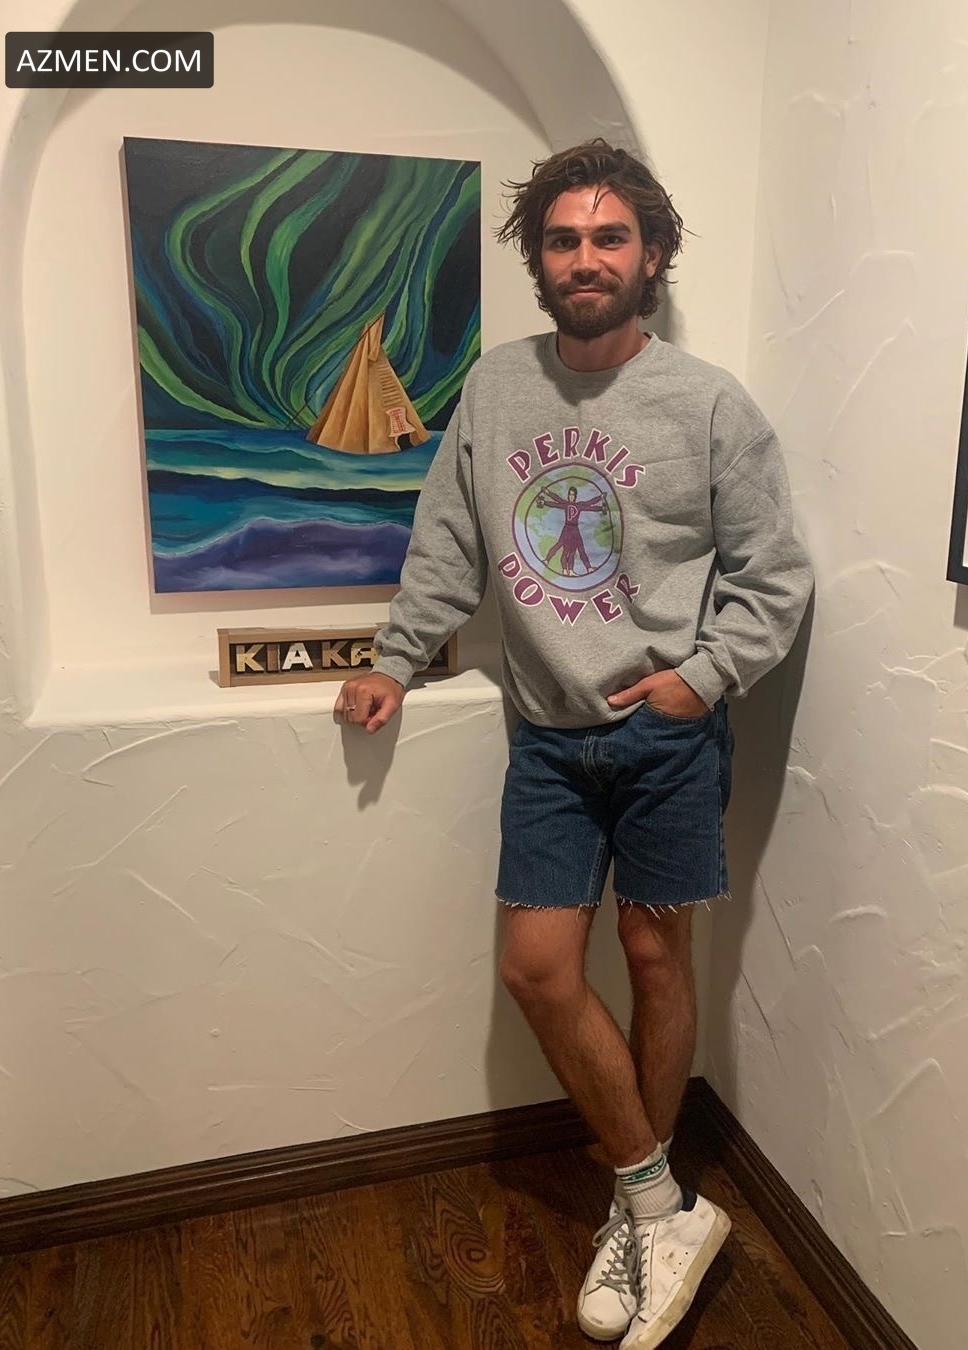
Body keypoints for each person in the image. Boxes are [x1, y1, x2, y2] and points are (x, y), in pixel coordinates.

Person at [334, 139, 813, 1348]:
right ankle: (661, 1205)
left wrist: (701, 680)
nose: (585, 258)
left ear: (651, 256)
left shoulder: (709, 404)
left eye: (609, 237)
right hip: (547, 737)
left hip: (667, 736)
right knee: (539, 969)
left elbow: (775, 576)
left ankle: (634, 1213)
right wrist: (395, 656)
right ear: (536, 260)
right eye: (563, 240)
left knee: (656, 959)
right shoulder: (496, 389)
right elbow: (450, 538)